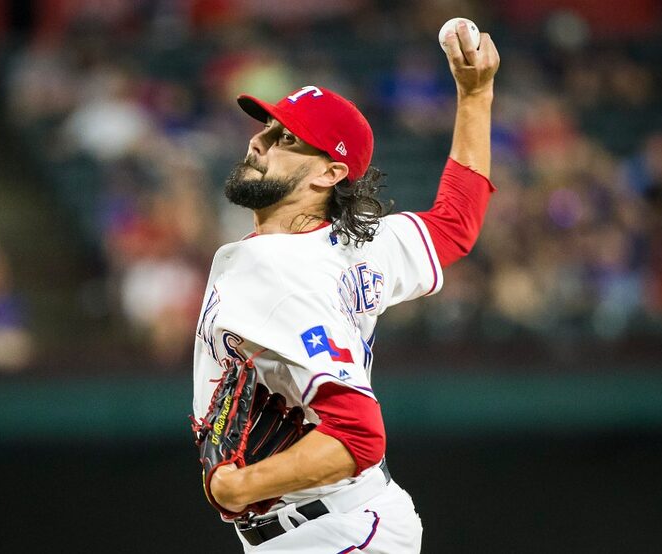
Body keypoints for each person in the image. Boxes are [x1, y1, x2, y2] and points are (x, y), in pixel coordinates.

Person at [192, 24, 500, 553]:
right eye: (265, 128)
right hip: (342, 525)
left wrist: (238, 486)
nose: (257, 142)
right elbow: (455, 222)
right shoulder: (358, 243)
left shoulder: (276, 268)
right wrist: (475, 95)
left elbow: (358, 436)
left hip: (329, 533)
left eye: (284, 140)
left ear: (330, 173)